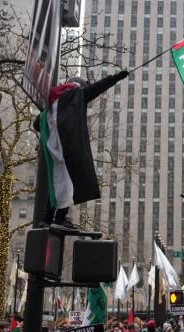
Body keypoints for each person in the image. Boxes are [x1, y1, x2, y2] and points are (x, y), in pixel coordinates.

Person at [34, 71, 129, 229]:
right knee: (70, 181)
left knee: (57, 182)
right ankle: (59, 219)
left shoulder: (52, 100)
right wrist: (118, 76)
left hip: (52, 148)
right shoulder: (77, 94)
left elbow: (37, 124)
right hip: (69, 145)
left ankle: (47, 219)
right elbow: (99, 87)